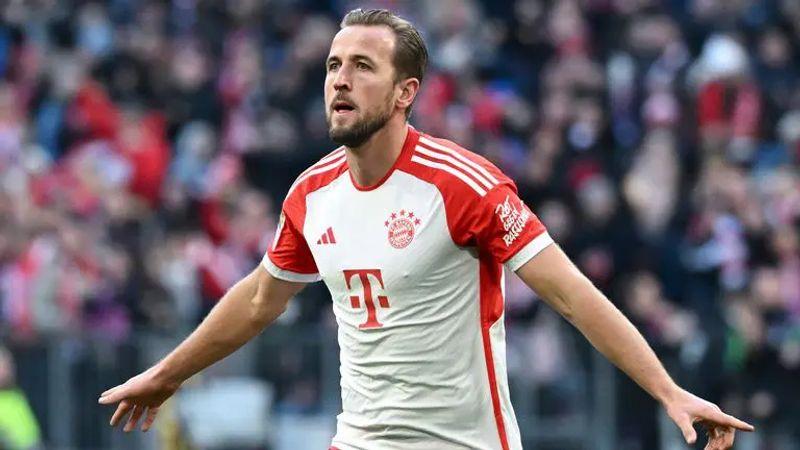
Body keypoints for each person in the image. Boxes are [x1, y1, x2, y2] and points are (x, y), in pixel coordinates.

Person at [99, 9, 754, 450]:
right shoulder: (311, 194)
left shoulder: (463, 185)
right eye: (333, 65)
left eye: (363, 66)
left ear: (405, 92)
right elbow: (257, 301)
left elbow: (571, 295)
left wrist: (667, 390)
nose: (340, 81)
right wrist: (168, 374)